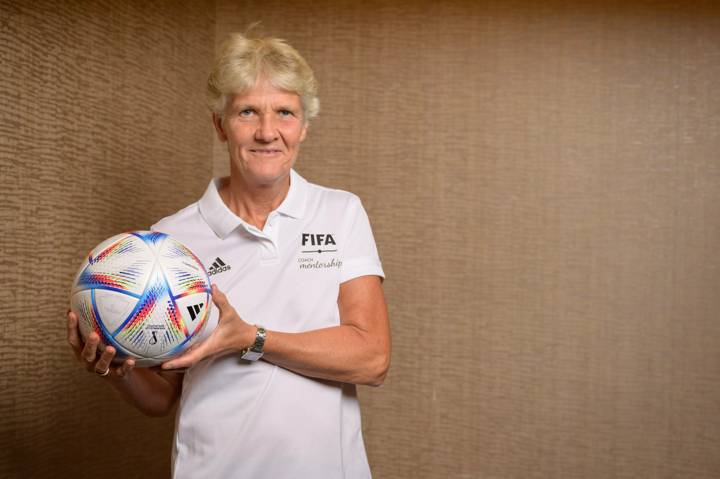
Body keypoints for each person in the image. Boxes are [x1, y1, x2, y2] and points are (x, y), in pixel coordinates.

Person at [67, 32, 390, 478]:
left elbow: (371, 359)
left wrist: (251, 338)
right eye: (247, 112)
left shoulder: (340, 212)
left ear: (304, 126)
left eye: (285, 112)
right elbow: (162, 398)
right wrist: (116, 370)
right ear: (220, 124)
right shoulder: (170, 243)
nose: (267, 132)